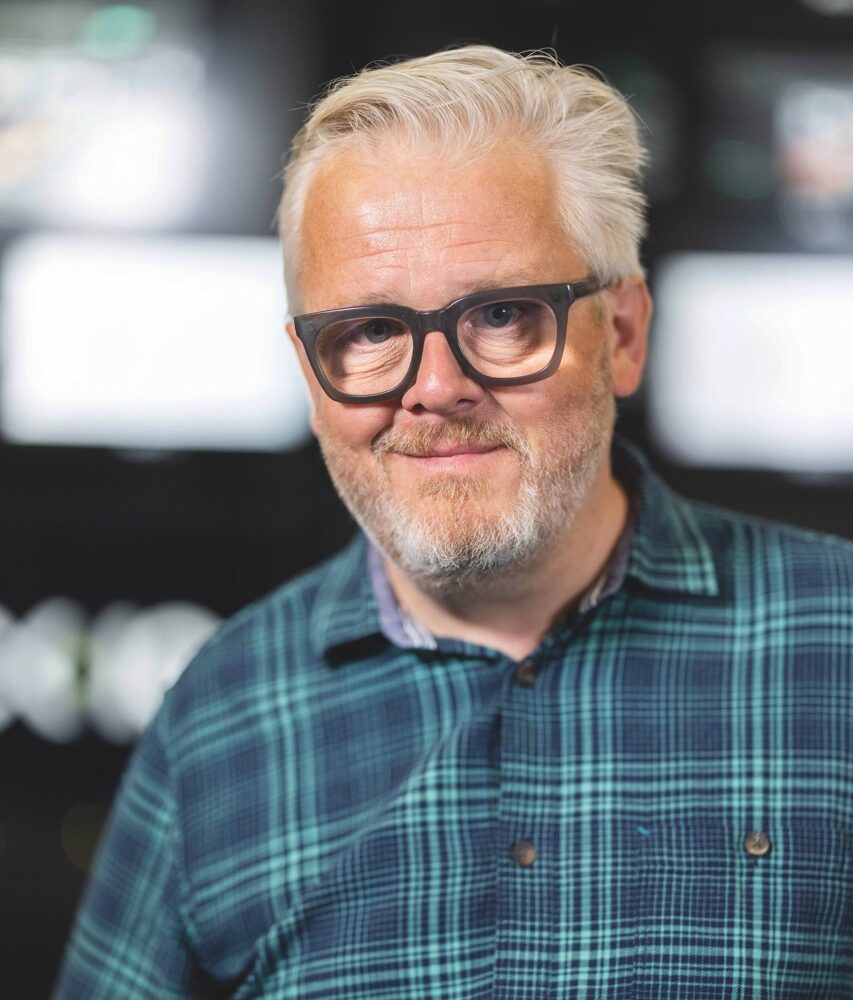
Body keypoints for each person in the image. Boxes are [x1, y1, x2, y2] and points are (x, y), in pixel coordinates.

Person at [54, 46, 853, 999]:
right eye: (369, 332)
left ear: (625, 334)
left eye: (504, 316)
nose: (435, 389)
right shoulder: (219, 718)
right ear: (311, 374)